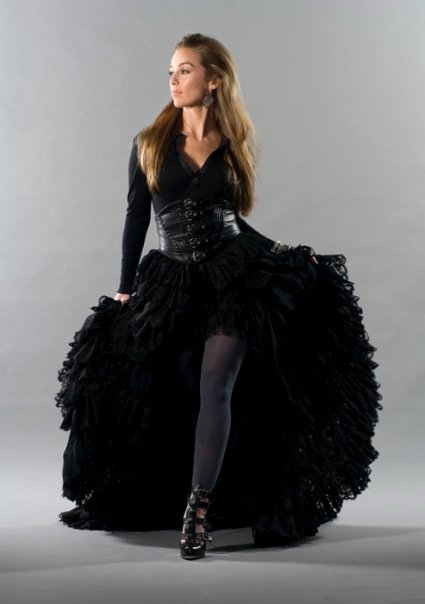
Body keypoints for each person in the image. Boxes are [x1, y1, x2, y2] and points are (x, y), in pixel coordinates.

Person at [55, 33, 382, 561]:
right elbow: (136, 219)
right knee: (157, 384)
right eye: (171, 71)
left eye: (184, 70)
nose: (173, 79)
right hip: (170, 278)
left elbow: (234, 222)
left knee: (217, 381)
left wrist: (287, 254)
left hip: (233, 278)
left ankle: (198, 509)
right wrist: (125, 288)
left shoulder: (233, 144)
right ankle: (171, 491)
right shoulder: (149, 142)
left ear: (213, 80)